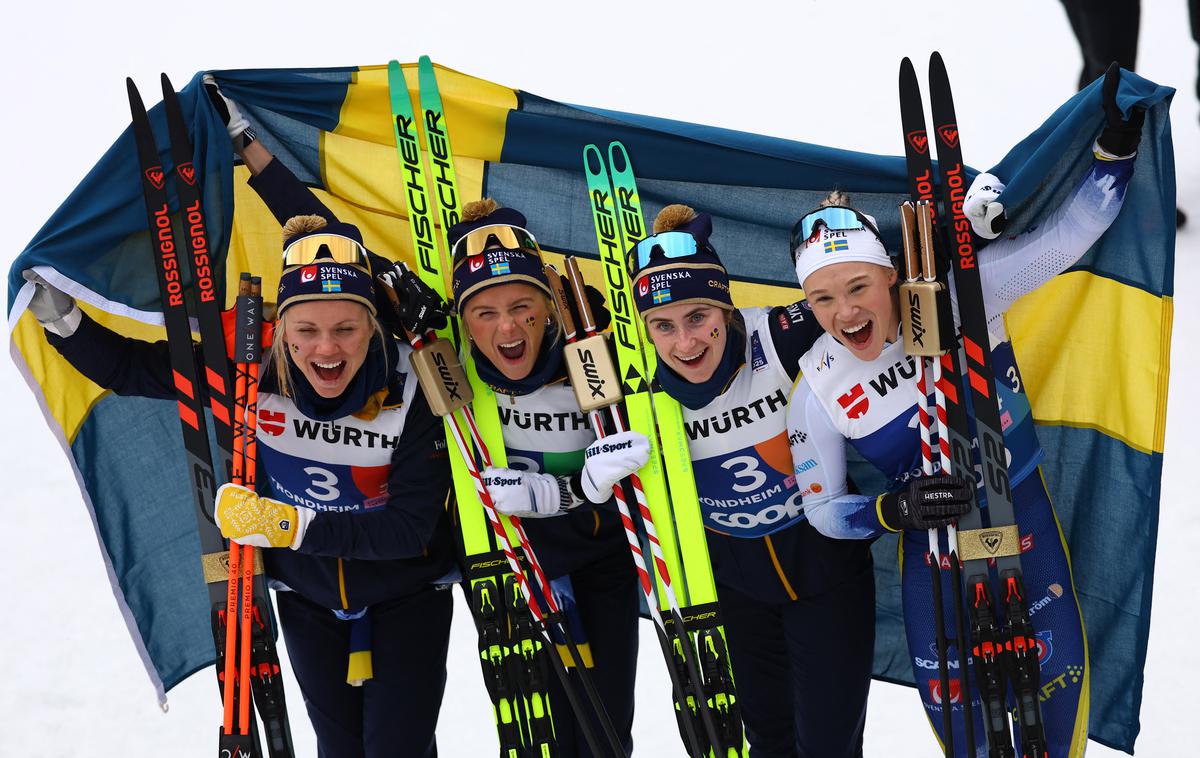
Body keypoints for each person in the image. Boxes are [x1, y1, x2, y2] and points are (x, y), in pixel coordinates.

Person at [24, 97, 457, 757]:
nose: (326, 349)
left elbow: (408, 529)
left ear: (374, 326)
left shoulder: (411, 378)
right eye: (306, 330)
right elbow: (135, 371)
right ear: (281, 328)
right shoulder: (247, 365)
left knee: (397, 747)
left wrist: (289, 524)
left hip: (406, 592)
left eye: (346, 327)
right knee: (338, 749)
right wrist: (64, 321)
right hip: (305, 594)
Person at [784, 64, 1143, 757]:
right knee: (971, 739)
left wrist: (1115, 148)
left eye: (858, 285)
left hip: (1024, 525)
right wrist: (895, 511)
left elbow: (1073, 236)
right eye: (823, 299)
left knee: (1054, 724)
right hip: (936, 561)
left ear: (891, 273)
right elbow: (823, 510)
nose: (845, 312)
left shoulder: (967, 299)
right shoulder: (818, 385)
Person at [626, 206, 876, 758]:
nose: (685, 344)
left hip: (827, 575)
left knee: (830, 745)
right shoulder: (639, 385)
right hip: (736, 590)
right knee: (766, 740)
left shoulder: (779, 335)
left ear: (725, 308)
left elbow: (876, 291)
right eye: (663, 326)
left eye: (698, 319)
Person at [449, 198, 648, 757]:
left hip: (599, 553)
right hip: (511, 561)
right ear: (463, 319)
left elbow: (646, 479)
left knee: (608, 731)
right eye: (485, 313)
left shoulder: (591, 353)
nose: (507, 327)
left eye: (521, 306)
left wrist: (572, 492)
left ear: (548, 302)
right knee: (543, 739)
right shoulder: (450, 363)